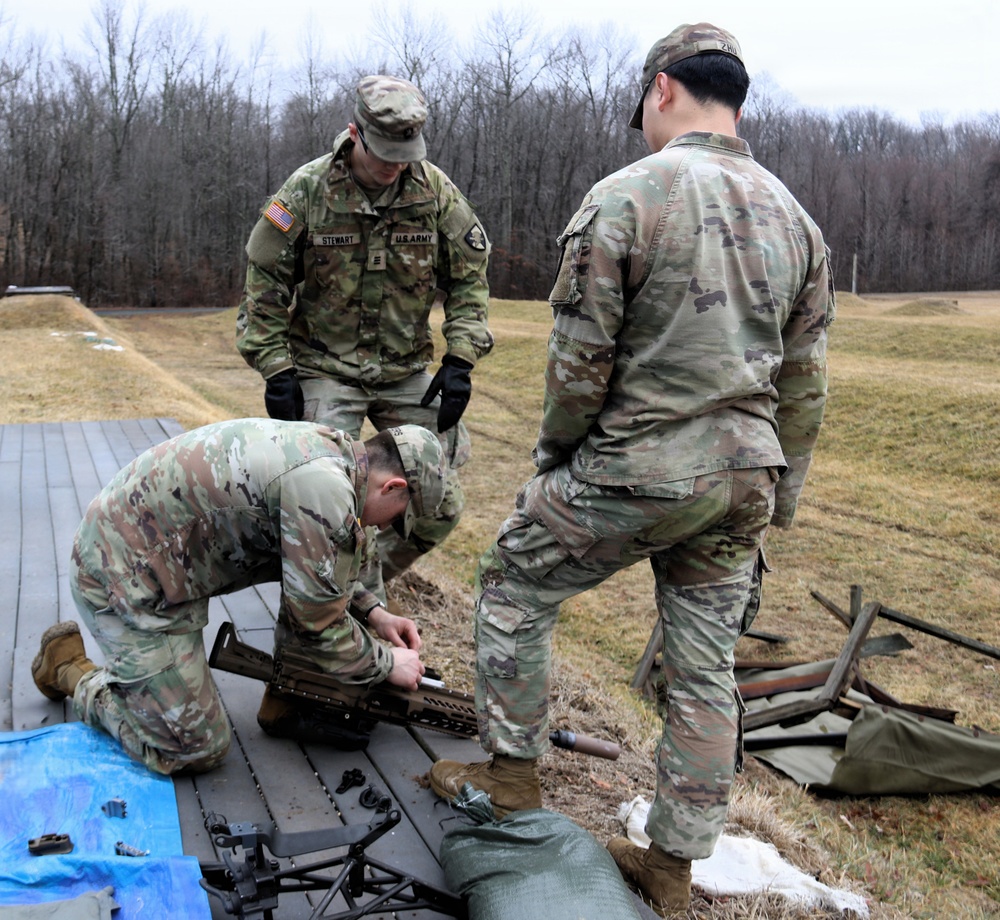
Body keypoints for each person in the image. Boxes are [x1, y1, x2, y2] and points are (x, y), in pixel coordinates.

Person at [428, 22, 834, 917]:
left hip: (638, 469)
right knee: (703, 669)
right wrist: (781, 498)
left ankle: (512, 787)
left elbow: (578, 365)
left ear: (662, 89)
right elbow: (804, 389)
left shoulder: (629, 196)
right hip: (744, 482)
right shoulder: (796, 219)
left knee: (509, 581)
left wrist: (554, 466)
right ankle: (672, 867)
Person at [31, 419, 447, 776]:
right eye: (397, 518)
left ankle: (283, 696)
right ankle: (73, 671)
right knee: (193, 747)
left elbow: (325, 564)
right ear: (392, 485)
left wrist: (375, 613)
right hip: (124, 580)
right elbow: (318, 623)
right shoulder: (321, 489)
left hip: (163, 563)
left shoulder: (335, 455)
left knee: (317, 595)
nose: (390, 528)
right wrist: (388, 662)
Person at [235, 74, 493, 584]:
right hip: (326, 367)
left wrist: (460, 358)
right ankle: (333, 590)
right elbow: (264, 286)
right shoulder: (307, 191)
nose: (396, 166)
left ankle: (366, 578)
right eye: (384, 155)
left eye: (405, 155)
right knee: (320, 488)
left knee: (439, 499)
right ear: (355, 134)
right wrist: (276, 370)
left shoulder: (434, 191)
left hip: (404, 369)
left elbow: (469, 278)